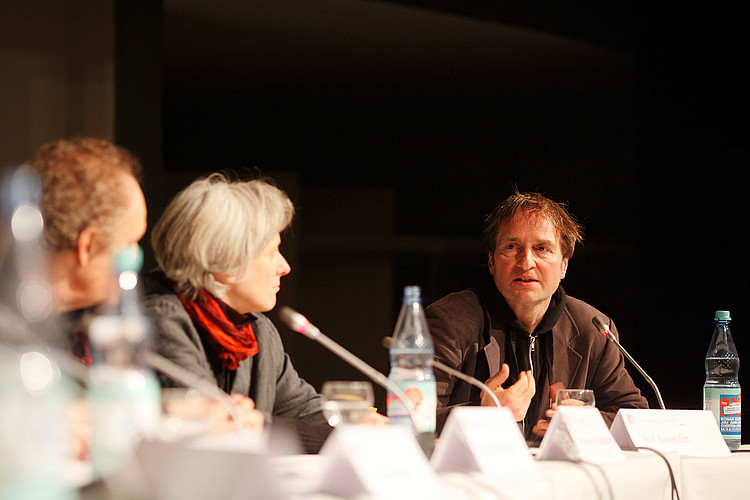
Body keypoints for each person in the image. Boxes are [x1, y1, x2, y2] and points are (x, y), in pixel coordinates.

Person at [425, 191, 648, 443]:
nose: (526, 262)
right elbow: (407, 417)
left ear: (564, 265)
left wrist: (588, 424)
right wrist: (482, 417)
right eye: (511, 247)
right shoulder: (451, 321)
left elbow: (635, 415)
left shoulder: (594, 329)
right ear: (491, 261)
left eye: (541, 248)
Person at [143, 173, 332, 452]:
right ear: (226, 264)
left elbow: (304, 411)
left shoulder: (255, 330)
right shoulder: (160, 320)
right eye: (272, 253)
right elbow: (217, 429)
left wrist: (359, 426)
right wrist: (260, 428)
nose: (284, 267)